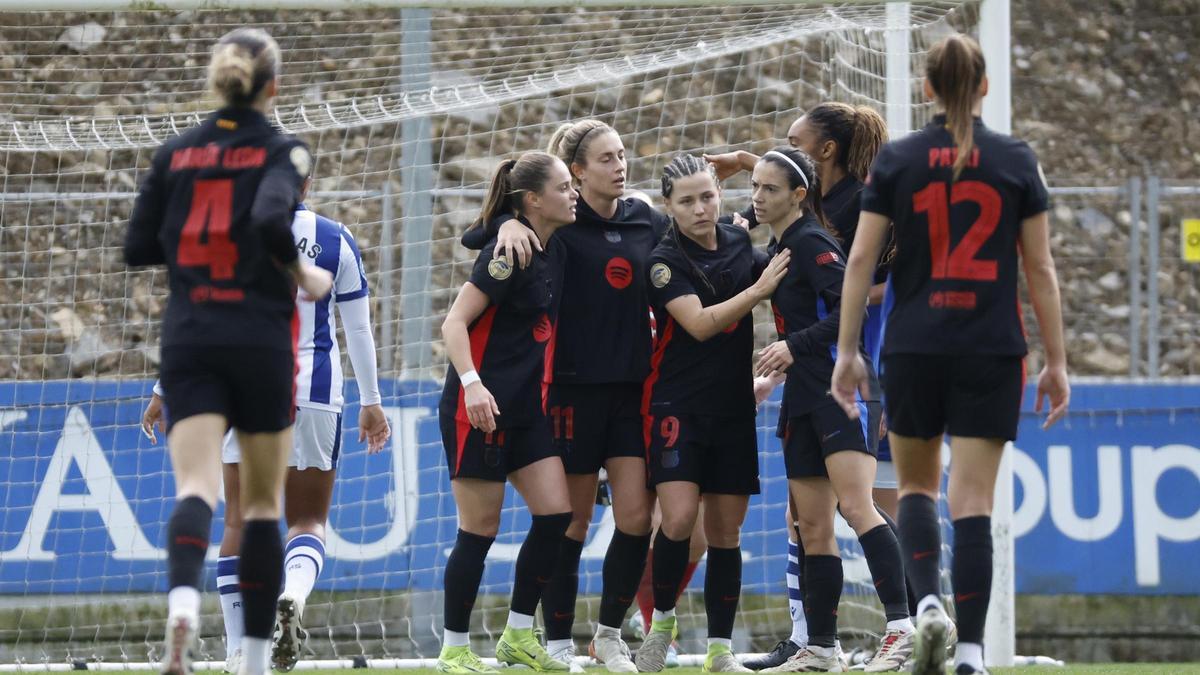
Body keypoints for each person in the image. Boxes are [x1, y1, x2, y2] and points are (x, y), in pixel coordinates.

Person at [831, 35, 1070, 675]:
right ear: (985, 85)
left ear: (927, 89)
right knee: (974, 503)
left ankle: (929, 605)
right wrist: (1057, 360)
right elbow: (1040, 270)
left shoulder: (899, 160)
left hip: (913, 345)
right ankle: (969, 654)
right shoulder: (1018, 159)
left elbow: (858, 260)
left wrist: (848, 350)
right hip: (992, 347)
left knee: (913, 486)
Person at [124, 28, 333, 675]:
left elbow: (137, 247)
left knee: (197, 488)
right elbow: (273, 221)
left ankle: (183, 602)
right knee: (266, 507)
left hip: (189, 335)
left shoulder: (175, 152)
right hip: (260, 339)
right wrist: (306, 277)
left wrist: (193, 249)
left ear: (217, 79)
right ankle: (250, 658)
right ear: (273, 85)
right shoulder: (282, 149)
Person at [140, 177, 392, 674]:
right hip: (315, 390)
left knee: (239, 519)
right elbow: (357, 326)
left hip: (246, 387)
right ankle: (293, 595)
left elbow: (194, 317)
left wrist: (163, 390)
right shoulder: (334, 236)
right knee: (307, 520)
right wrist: (372, 401)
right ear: (308, 183)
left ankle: (239, 650)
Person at [709, 105, 919, 672]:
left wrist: (795, 346)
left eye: (767, 187)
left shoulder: (812, 243)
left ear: (798, 194)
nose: (755, 196)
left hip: (839, 389)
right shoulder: (783, 246)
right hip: (801, 394)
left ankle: (904, 628)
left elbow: (850, 303)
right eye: (753, 186)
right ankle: (820, 647)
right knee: (810, 525)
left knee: (859, 506)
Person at [463, 120, 669, 672]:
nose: (620, 165)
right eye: (606, 158)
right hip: (571, 393)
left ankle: (607, 636)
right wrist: (505, 222)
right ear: (577, 172)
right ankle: (555, 641)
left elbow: (696, 240)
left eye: (623, 155)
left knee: (634, 517)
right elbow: (479, 237)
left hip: (630, 390)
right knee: (571, 522)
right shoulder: (560, 222)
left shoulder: (645, 217)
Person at [633, 154, 790, 674]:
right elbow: (699, 325)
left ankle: (720, 650)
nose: (700, 208)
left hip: (731, 409)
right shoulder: (663, 261)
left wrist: (747, 162)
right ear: (668, 207)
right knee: (677, 519)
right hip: (676, 405)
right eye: (687, 201)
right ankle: (660, 627)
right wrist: (759, 290)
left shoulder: (740, 240)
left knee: (725, 534)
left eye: (707, 196)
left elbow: (784, 198)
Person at [436, 151, 577, 674]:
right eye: (564, 187)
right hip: (480, 408)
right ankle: (453, 648)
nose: (574, 195)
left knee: (556, 515)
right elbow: (453, 324)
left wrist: (509, 221)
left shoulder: (551, 245)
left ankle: (518, 635)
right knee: (479, 529)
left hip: (526, 410)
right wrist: (472, 386)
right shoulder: (506, 254)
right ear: (534, 199)